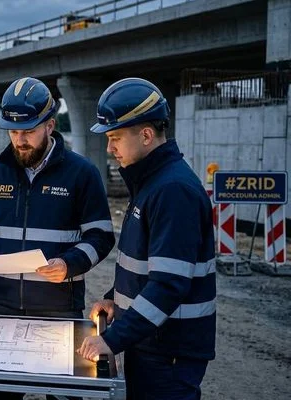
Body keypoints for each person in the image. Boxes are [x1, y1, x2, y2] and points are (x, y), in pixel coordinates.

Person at [0, 77, 115, 400]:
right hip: (2, 309)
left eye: (28, 131)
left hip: (58, 312)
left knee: (61, 396)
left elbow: (101, 236)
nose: (20, 141)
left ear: (50, 125)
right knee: (4, 395)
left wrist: (68, 264)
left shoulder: (81, 173)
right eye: (13, 132)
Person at [78, 78, 216, 399]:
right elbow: (147, 263)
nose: (109, 149)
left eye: (115, 138)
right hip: (153, 342)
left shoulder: (172, 191)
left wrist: (112, 340)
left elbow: (168, 285)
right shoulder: (151, 183)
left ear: (146, 135)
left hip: (169, 350)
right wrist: (115, 297)